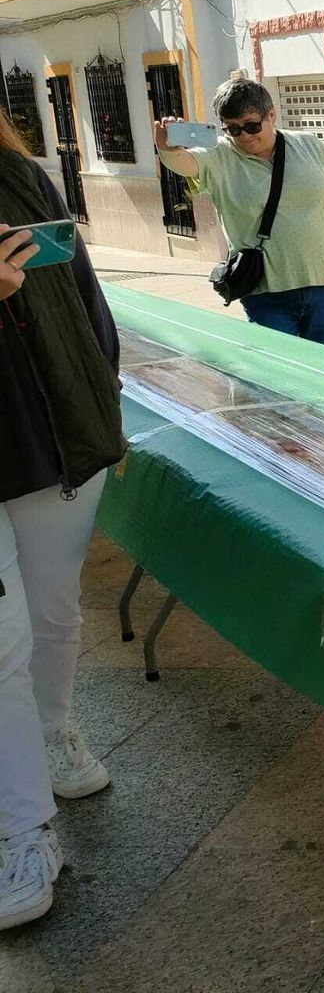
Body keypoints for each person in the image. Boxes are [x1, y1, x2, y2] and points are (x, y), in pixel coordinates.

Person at [0, 109, 124, 930]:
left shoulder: (24, 176)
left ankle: (51, 733)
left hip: (47, 435)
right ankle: (21, 826)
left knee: (51, 614)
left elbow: (84, 300)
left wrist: (101, 392)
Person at [155, 72, 324, 348]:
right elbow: (183, 162)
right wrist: (166, 147)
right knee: (281, 376)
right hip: (266, 292)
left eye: (252, 126)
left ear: (271, 115)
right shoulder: (219, 157)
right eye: (233, 129)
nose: (244, 136)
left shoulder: (307, 145)